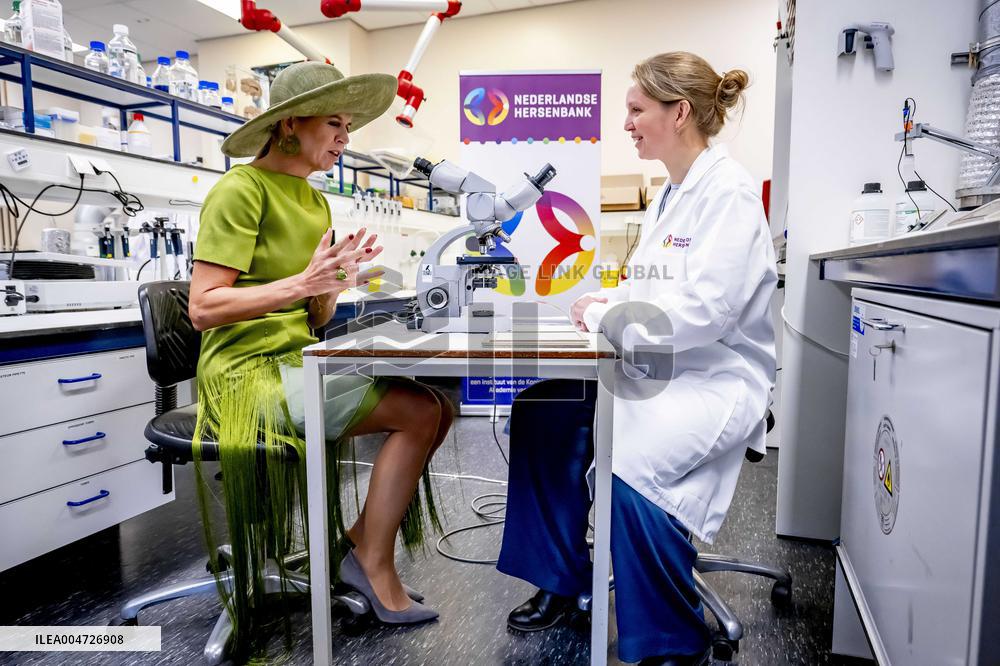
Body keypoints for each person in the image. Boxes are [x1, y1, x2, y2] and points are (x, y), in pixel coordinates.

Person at [496, 52, 777, 666]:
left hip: (714, 376)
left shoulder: (726, 194)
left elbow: (703, 314)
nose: (624, 122)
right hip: (654, 362)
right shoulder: (670, 196)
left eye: (635, 109)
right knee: (544, 409)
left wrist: (602, 317)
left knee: (633, 455)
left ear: (679, 113)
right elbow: (653, 286)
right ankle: (561, 580)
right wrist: (611, 297)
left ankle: (672, 638)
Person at [188, 62, 452, 657]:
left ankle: (356, 546)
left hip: (296, 360)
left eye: (348, 126)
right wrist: (302, 281)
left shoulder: (313, 201)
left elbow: (314, 321)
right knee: (416, 411)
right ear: (289, 126)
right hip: (244, 376)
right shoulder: (240, 190)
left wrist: (331, 283)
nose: (344, 138)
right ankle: (369, 563)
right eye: (334, 123)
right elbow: (203, 308)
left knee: (437, 404)